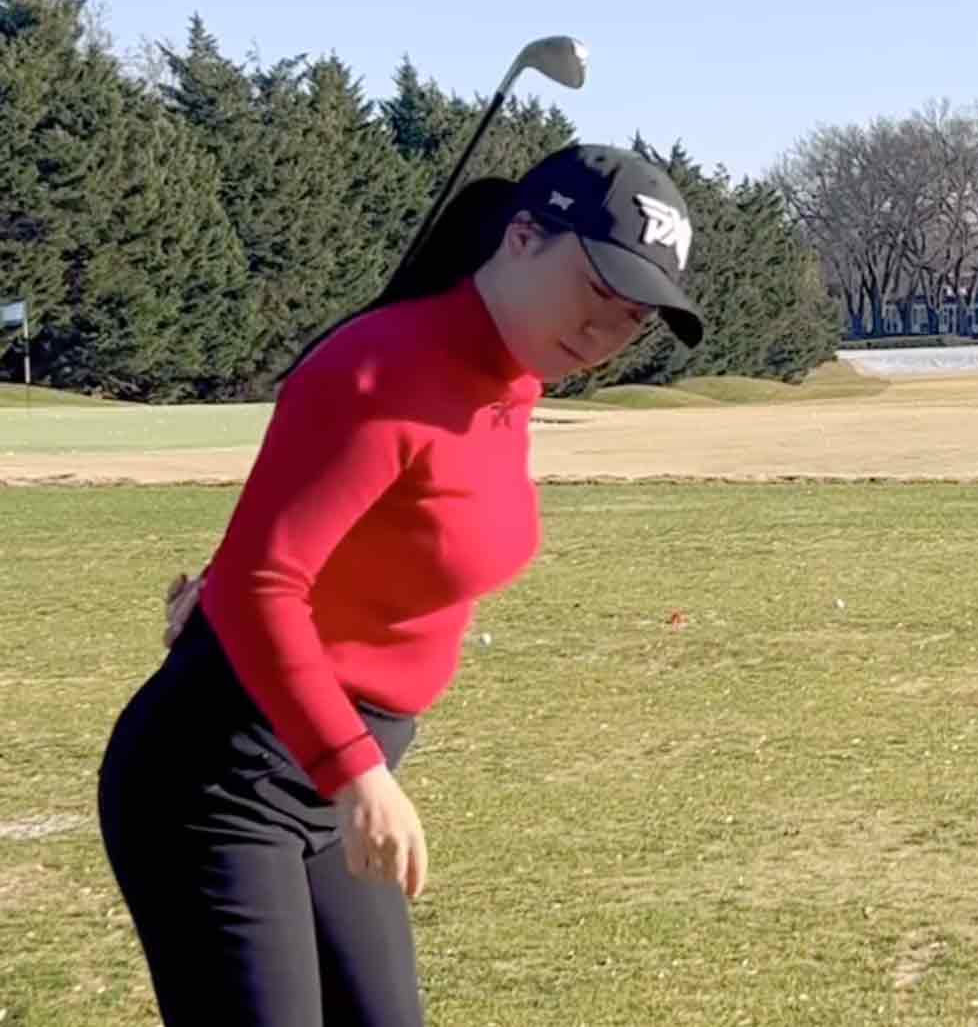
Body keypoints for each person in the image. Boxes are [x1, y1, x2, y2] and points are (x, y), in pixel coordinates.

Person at [96, 143, 705, 1027]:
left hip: (330, 779)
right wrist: (357, 775)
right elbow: (266, 582)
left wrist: (345, 764)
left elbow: (358, 523)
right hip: (222, 779)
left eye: (633, 317)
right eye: (596, 288)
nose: (604, 331)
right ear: (522, 237)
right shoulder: (383, 368)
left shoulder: (513, 379)